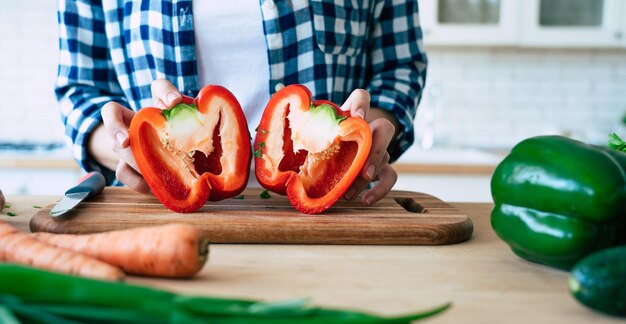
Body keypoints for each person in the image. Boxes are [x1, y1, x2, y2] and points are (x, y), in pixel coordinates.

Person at [55, 1, 427, 206]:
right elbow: (80, 88)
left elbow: (400, 69)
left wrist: (364, 145)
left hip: (328, 218)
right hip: (159, 219)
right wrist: (131, 148)